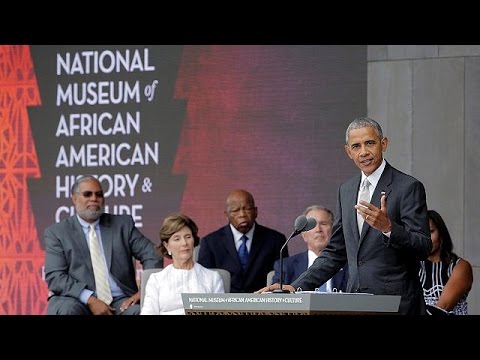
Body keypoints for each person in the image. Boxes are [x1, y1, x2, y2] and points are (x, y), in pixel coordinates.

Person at [256, 117, 432, 315]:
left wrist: (389, 228)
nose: (363, 152)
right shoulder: (346, 190)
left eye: (370, 143)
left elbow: (424, 247)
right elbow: (336, 251)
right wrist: (297, 287)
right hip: (354, 305)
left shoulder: (407, 187)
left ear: (384, 144)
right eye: (356, 146)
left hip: (397, 305)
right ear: (348, 152)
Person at [44, 175, 162, 315]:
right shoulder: (57, 233)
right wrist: (89, 299)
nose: (94, 198)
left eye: (98, 194)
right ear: (74, 199)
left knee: (141, 311)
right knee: (68, 311)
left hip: (120, 301)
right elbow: (56, 276)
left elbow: (153, 254)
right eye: (87, 194)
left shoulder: (122, 225)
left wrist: (144, 291)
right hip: (76, 300)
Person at [198, 189, 288, 293]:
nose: (242, 214)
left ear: (256, 211)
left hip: (262, 303)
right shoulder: (210, 242)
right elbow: (204, 283)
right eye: (236, 210)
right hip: (224, 305)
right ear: (226, 215)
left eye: (247, 208)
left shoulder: (276, 240)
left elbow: (281, 280)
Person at [141, 213, 224, 315]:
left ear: (194, 241)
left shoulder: (212, 278)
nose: (184, 243)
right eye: (177, 239)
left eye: (188, 237)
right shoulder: (156, 280)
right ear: (167, 246)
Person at [271, 205, 348, 291]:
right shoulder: (286, 266)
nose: (318, 229)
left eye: (323, 223)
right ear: (303, 234)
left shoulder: (349, 265)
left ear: (334, 230)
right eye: (313, 225)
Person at [419, 210, 473, 315]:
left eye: (430, 231)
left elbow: (441, 308)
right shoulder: (412, 266)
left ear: (441, 235)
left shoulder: (460, 266)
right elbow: (393, 303)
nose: (425, 238)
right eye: (420, 233)